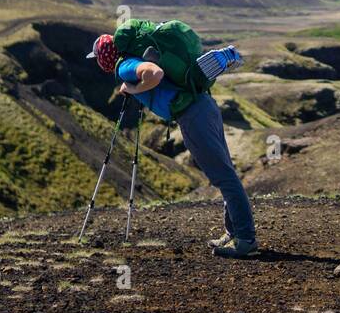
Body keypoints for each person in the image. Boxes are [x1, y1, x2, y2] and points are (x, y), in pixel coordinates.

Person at [87, 33, 257, 258]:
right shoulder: (134, 56)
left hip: (193, 115)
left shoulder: (125, 66)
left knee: (224, 176)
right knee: (225, 172)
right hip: (203, 104)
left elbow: (155, 74)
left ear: (104, 57)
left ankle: (246, 241)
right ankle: (233, 231)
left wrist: (134, 89)